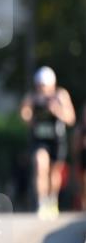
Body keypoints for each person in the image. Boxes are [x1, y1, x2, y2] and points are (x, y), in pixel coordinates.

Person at [20, 66, 75, 218]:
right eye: (39, 85)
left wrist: (56, 110)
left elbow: (71, 119)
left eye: (44, 85)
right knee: (40, 164)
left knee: (54, 172)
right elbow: (25, 115)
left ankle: (52, 200)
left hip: (57, 140)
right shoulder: (32, 97)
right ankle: (42, 202)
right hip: (40, 140)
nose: (42, 89)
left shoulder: (60, 96)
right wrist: (29, 115)